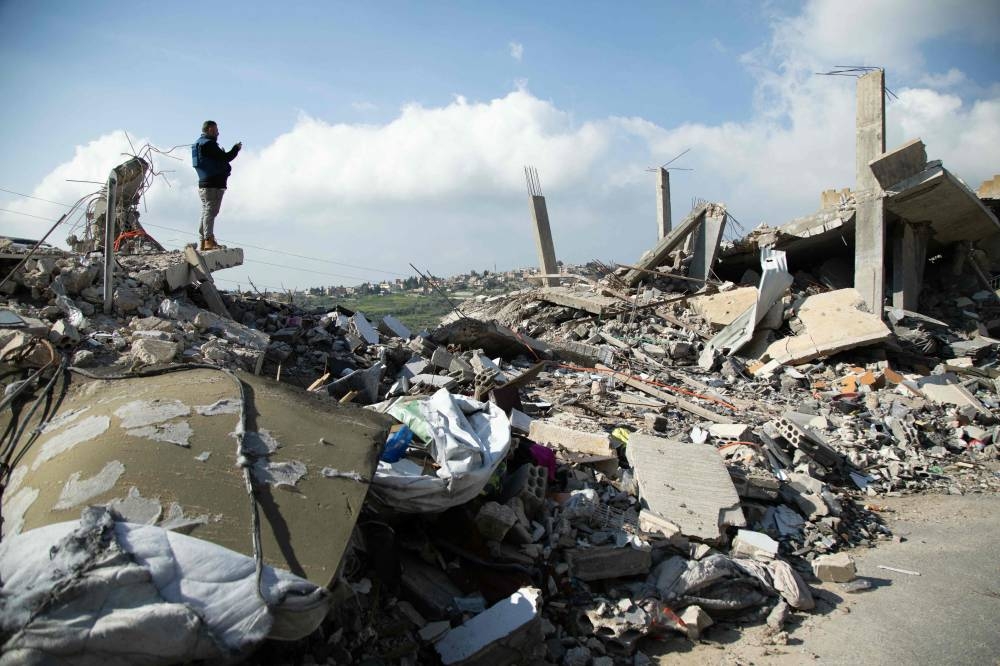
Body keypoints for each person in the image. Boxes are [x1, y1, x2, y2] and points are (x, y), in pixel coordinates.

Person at [191, 120, 241, 251]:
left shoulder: (199, 144)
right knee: (211, 211)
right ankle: (208, 240)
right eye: (216, 130)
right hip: (213, 184)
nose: (218, 133)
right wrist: (236, 149)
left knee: (206, 211)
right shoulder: (208, 144)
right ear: (210, 130)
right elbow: (226, 157)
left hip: (204, 184)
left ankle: (204, 240)